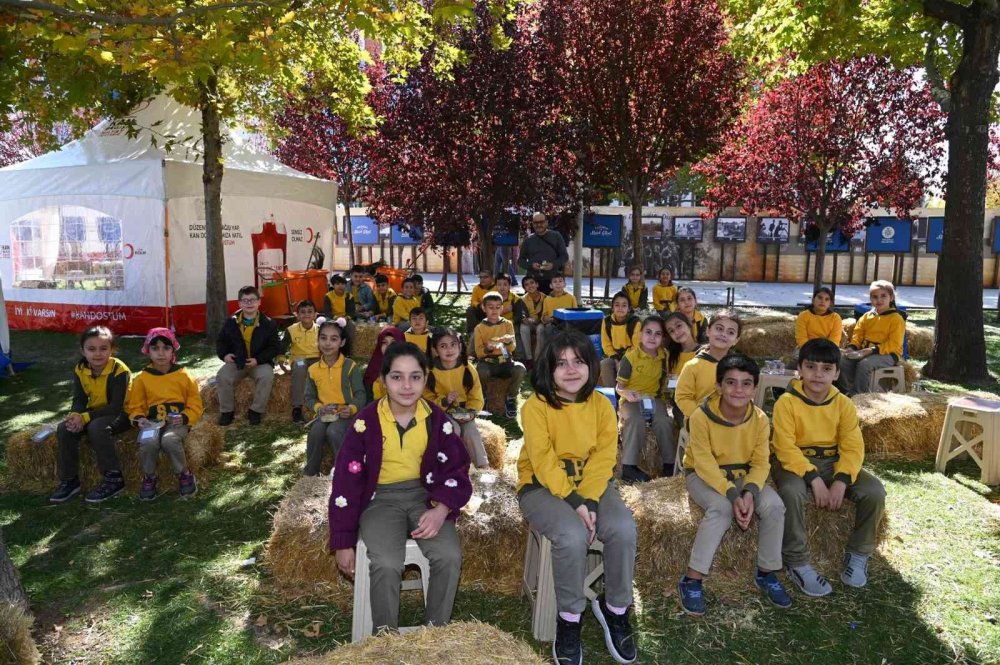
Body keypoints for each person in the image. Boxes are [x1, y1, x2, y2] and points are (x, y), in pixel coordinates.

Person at [329, 342, 472, 634]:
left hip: (426, 496)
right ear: (382, 381)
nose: (406, 386)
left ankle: (436, 632)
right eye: (397, 377)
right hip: (380, 500)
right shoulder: (364, 424)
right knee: (386, 562)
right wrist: (343, 541)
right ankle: (386, 637)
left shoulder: (437, 421)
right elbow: (345, 483)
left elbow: (457, 469)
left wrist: (442, 508)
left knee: (448, 555)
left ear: (426, 377)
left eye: (415, 377)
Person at [518, 329, 638, 665]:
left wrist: (590, 501)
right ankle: (569, 619)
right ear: (548, 369)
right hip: (542, 486)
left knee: (624, 529)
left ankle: (614, 608)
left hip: (594, 487)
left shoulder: (601, 404)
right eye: (561, 363)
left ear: (591, 365)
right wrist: (576, 503)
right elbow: (543, 462)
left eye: (579, 361)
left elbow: (603, 458)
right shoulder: (536, 406)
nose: (571, 370)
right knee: (570, 536)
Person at [677, 355, 791, 616]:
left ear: (755, 388)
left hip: (743, 475)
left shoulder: (761, 419)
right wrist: (732, 494)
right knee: (720, 509)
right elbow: (704, 463)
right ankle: (692, 579)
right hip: (704, 476)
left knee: (774, 505)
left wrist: (749, 492)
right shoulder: (701, 416)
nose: (738, 390)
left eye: (746, 384)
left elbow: (762, 463)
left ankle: (766, 572)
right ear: (718, 386)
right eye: (730, 382)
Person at [772, 338, 887, 596]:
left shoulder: (844, 404)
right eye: (811, 367)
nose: (818, 375)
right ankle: (797, 561)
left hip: (833, 461)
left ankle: (859, 554)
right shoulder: (786, 403)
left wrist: (841, 479)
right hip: (794, 462)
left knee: (875, 491)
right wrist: (813, 479)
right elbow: (785, 447)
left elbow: (853, 446)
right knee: (792, 493)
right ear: (800, 369)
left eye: (826, 369)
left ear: (836, 373)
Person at [49, 326, 131, 504]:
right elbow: (79, 399)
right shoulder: (80, 369)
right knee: (64, 428)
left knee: (97, 428)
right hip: (96, 412)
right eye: (91, 349)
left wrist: (85, 418)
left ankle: (114, 478)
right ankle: (70, 480)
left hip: (122, 413)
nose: (98, 354)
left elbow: (115, 406)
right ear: (83, 351)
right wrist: (75, 415)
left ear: (112, 350)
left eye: (103, 349)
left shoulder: (119, 370)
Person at [126, 328, 202, 500]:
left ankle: (184, 474)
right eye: (155, 348)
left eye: (166, 348)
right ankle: (149, 477)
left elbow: (195, 404)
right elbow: (134, 406)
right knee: (148, 442)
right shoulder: (142, 379)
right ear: (148, 351)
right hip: (152, 422)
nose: (161, 353)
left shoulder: (184, 375)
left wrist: (184, 417)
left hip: (177, 422)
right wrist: (139, 418)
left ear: (173, 350)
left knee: (169, 439)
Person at [303, 319, 367, 476]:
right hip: (325, 413)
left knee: (334, 431)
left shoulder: (350, 366)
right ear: (317, 340)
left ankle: (346, 471)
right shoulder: (313, 369)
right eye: (323, 338)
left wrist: (351, 408)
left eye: (334, 339)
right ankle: (310, 473)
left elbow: (360, 394)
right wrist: (319, 408)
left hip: (345, 413)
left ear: (342, 342)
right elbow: (309, 397)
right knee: (316, 432)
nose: (327, 343)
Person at [617, 315, 676, 482]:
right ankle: (629, 468)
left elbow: (667, 381)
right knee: (635, 421)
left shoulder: (664, 356)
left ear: (663, 338)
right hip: (631, 399)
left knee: (664, 422)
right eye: (648, 332)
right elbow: (619, 387)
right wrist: (626, 394)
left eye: (658, 334)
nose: (652, 337)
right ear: (640, 334)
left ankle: (669, 465)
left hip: (653, 399)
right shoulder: (630, 358)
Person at [215, 285, 281, 426]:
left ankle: (256, 411)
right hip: (237, 362)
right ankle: (227, 411)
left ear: (259, 302)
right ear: (239, 303)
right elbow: (221, 341)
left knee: (267, 376)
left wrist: (258, 359)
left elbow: (274, 347)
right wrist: (224, 355)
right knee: (222, 376)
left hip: (260, 362)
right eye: (245, 301)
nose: (249, 304)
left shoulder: (269, 324)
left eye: (252, 300)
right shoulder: (231, 322)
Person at [426, 328, 490, 468]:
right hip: (443, 411)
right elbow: (427, 397)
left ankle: (483, 467)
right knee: (453, 429)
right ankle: (454, 466)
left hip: (464, 411)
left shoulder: (468, 368)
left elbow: (476, 394)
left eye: (453, 344)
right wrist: (444, 401)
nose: (449, 349)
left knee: (471, 431)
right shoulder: (430, 371)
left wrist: (471, 412)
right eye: (443, 346)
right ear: (435, 350)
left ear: (460, 346)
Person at [839, 280, 905, 395]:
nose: (879, 300)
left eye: (883, 296)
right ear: (870, 299)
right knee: (843, 360)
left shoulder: (896, 319)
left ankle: (858, 394)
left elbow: (894, 344)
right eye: (875, 297)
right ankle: (846, 390)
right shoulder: (866, 316)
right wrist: (853, 347)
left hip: (888, 354)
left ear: (891, 297)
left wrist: (871, 350)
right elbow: (858, 334)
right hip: (864, 351)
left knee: (865, 364)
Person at [674, 311, 741, 419]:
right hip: (700, 423)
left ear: (736, 340)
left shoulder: (739, 368)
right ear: (708, 331)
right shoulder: (693, 366)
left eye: (731, 332)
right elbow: (682, 397)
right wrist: (702, 416)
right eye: (719, 328)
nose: (723, 334)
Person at [472, 291, 526, 418]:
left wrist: (508, 342)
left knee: (520, 369)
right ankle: (483, 397)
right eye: (490, 307)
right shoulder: (479, 328)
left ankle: (511, 397)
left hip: (505, 362)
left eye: (497, 307)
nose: (494, 310)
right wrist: (488, 349)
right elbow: (479, 353)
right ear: (484, 308)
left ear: (502, 308)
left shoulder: (507, 324)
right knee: (480, 371)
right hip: (488, 363)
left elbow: (513, 348)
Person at [283, 299, 321, 425]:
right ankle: (297, 408)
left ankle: (323, 404)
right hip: (299, 359)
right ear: (297, 315)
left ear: (316, 314)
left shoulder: (321, 330)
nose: (306, 315)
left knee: (322, 371)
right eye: (303, 312)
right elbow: (282, 348)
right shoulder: (291, 330)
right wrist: (281, 360)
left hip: (316, 358)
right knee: (300, 369)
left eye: (310, 312)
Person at [517, 212, 569, 294]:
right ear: (532, 224)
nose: (539, 225)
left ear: (546, 222)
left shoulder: (556, 236)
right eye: (536, 222)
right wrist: (531, 265)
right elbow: (520, 261)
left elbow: (564, 257)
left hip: (553, 282)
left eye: (541, 222)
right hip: (533, 283)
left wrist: (553, 264)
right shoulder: (528, 240)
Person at [598, 292, 641, 387]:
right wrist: (616, 358)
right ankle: (612, 393)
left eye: (624, 305)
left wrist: (624, 360)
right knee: (604, 364)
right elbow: (606, 344)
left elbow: (636, 346)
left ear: (629, 308)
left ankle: (625, 394)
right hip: (614, 355)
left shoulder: (635, 323)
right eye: (617, 305)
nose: (620, 308)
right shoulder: (607, 322)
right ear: (612, 308)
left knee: (624, 369)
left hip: (631, 356)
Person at [795, 286, 843, 354]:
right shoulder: (803, 316)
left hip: (828, 350)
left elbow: (834, 341)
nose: (823, 301)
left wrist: (822, 353)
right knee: (796, 359)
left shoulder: (836, 318)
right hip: (806, 349)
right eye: (820, 297)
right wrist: (812, 352)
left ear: (830, 303)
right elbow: (801, 339)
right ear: (813, 300)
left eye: (827, 299)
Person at [364, 326, 405, 402]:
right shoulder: (372, 370)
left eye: (393, 342)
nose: (389, 346)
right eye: (384, 342)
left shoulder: (410, 370)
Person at [538, 274, 577, 352]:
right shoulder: (547, 299)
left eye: (560, 281)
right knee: (547, 328)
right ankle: (548, 351)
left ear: (564, 284)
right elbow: (544, 316)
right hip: (552, 323)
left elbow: (575, 314)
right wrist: (547, 319)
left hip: (567, 323)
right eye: (555, 282)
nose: (558, 283)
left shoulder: (571, 298)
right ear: (551, 286)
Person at [514, 274, 546, 365]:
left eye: (532, 283)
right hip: (529, 322)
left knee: (540, 329)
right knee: (523, 328)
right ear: (524, 288)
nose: (530, 286)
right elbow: (522, 314)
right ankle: (529, 358)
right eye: (526, 284)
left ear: (537, 284)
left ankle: (538, 358)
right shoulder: (523, 299)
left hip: (541, 322)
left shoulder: (545, 298)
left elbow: (546, 312)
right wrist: (524, 319)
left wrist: (539, 321)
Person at [324, 274, 358, 339]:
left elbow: (351, 311)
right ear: (333, 285)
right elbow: (327, 311)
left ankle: (348, 345)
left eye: (342, 284)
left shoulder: (349, 296)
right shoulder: (328, 296)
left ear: (345, 285)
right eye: (337, 284)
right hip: (332, 318)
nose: (340, 286)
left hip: (346, 319)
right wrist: (336, 318)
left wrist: (346, 318)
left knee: (352, 326)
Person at [465, 269, 496, 335]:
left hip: (493, 310)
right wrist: (479, 305)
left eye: (485, 277)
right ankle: (472, 332)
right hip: (481, 309)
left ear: (491, 278)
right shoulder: (476, 288)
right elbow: (473, 301)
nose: (482, 279)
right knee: (470, 310)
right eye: (481, 277)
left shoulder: (496, 288)